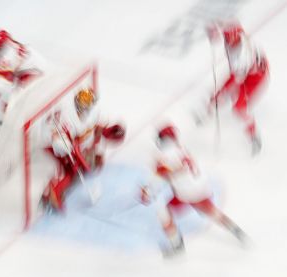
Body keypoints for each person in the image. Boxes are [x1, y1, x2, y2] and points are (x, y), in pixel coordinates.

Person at [140, 124, 247, 257]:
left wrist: (148, 190)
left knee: (163, 213)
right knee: (212, 212)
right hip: (202, 188)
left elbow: (161, 173)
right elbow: (175, 170)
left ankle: (177, 246)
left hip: (187, 193)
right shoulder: (182, 149)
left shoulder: (164, 154)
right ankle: (237, 232)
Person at [43, 88, 125, 211]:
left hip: (81, 146)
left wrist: (107, 131)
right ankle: (54, 190)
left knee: (94, 164)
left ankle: (77, 167)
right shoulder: (68, 116)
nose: (84, 106)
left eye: (88, 102)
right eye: (82, 101)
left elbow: (97, 127)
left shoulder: (94, 112)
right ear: (77, 101)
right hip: (65, 148)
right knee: (74, 170)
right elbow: (56, 135)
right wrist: (60, 143)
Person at [201, 21, 269, 155]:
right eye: (225, 38)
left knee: (239, 107)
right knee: (222, 94)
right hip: (247, 69)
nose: (226, 40)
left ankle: (253, 135)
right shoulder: (238, 36)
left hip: (255, 78)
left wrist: (220, 95)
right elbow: (232, 26)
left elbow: (235, 82)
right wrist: (216, 31)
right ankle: (212, 107)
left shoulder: (241, 55)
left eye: (227, 39)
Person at [0, 29, 43, 138]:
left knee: (12, 99)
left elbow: (3, 74)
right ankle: (4, 123)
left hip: (31, 73)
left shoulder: (9, 56)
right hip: (29, 67)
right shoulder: (5, 41)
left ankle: (4, 127)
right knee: (8, 97)